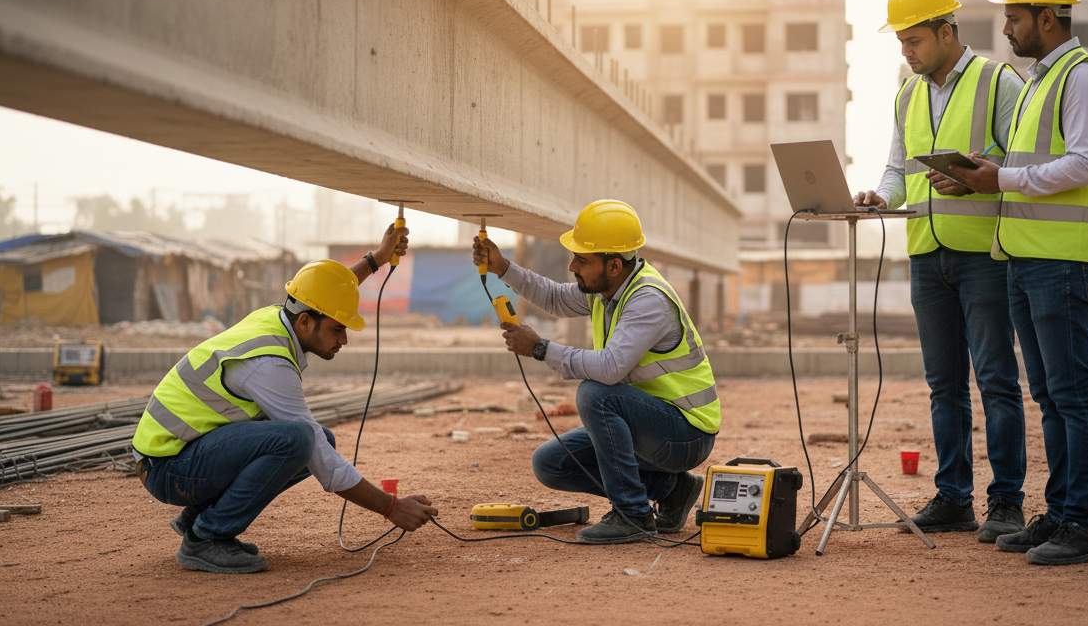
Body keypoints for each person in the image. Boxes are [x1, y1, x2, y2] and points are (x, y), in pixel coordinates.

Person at [131, 225, 438, 573]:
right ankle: (206, 537)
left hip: (176, 454)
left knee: (317, 438)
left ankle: (198, 520)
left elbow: (325, 293)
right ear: (305, 322)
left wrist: (377, 259)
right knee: (301, 440)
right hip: (169, 469)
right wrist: (390, 507)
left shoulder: (281, 316)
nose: (344, 340)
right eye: (338, 329)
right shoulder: (269, 364)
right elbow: (323, 460)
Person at [952, 0, 1088, 566]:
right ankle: (1062, 513)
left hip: (1064, 262)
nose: (1005, 29)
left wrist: (1004, 177)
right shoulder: (1044, 80)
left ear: (1047, 18)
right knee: (1050, 396)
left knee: (1074, 396)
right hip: (1028, 259)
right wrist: (983, 172)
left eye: (1014, 16)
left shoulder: (1083, 77)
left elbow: (1085, 163)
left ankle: (1085, 526)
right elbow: (1026, 166)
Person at [855, 0, 1028, 543]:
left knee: (997, 380)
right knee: (944, 385)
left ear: (947, 31)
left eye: (915, 41)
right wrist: (881, 196)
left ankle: (1005, 500)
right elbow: (899, 168)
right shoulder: (908, 90)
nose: (906, 51)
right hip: (927, 254)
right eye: (901, 43)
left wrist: (979, 180)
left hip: (983, 254)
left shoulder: (997, 81)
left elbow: (1017, 167)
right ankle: (954, 497)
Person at [472, 199, 719, 544]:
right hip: (651, 424)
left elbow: (609, 369)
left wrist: (541, 349)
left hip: (685, 436)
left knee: (594, 393)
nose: (572, 265)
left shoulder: (647, 299)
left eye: (582, 259)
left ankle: (633, 514)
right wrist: (502, 267)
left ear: (614, 265)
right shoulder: (607, 290)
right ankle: (672, 489)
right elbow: (556, 298)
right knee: (550, 463)